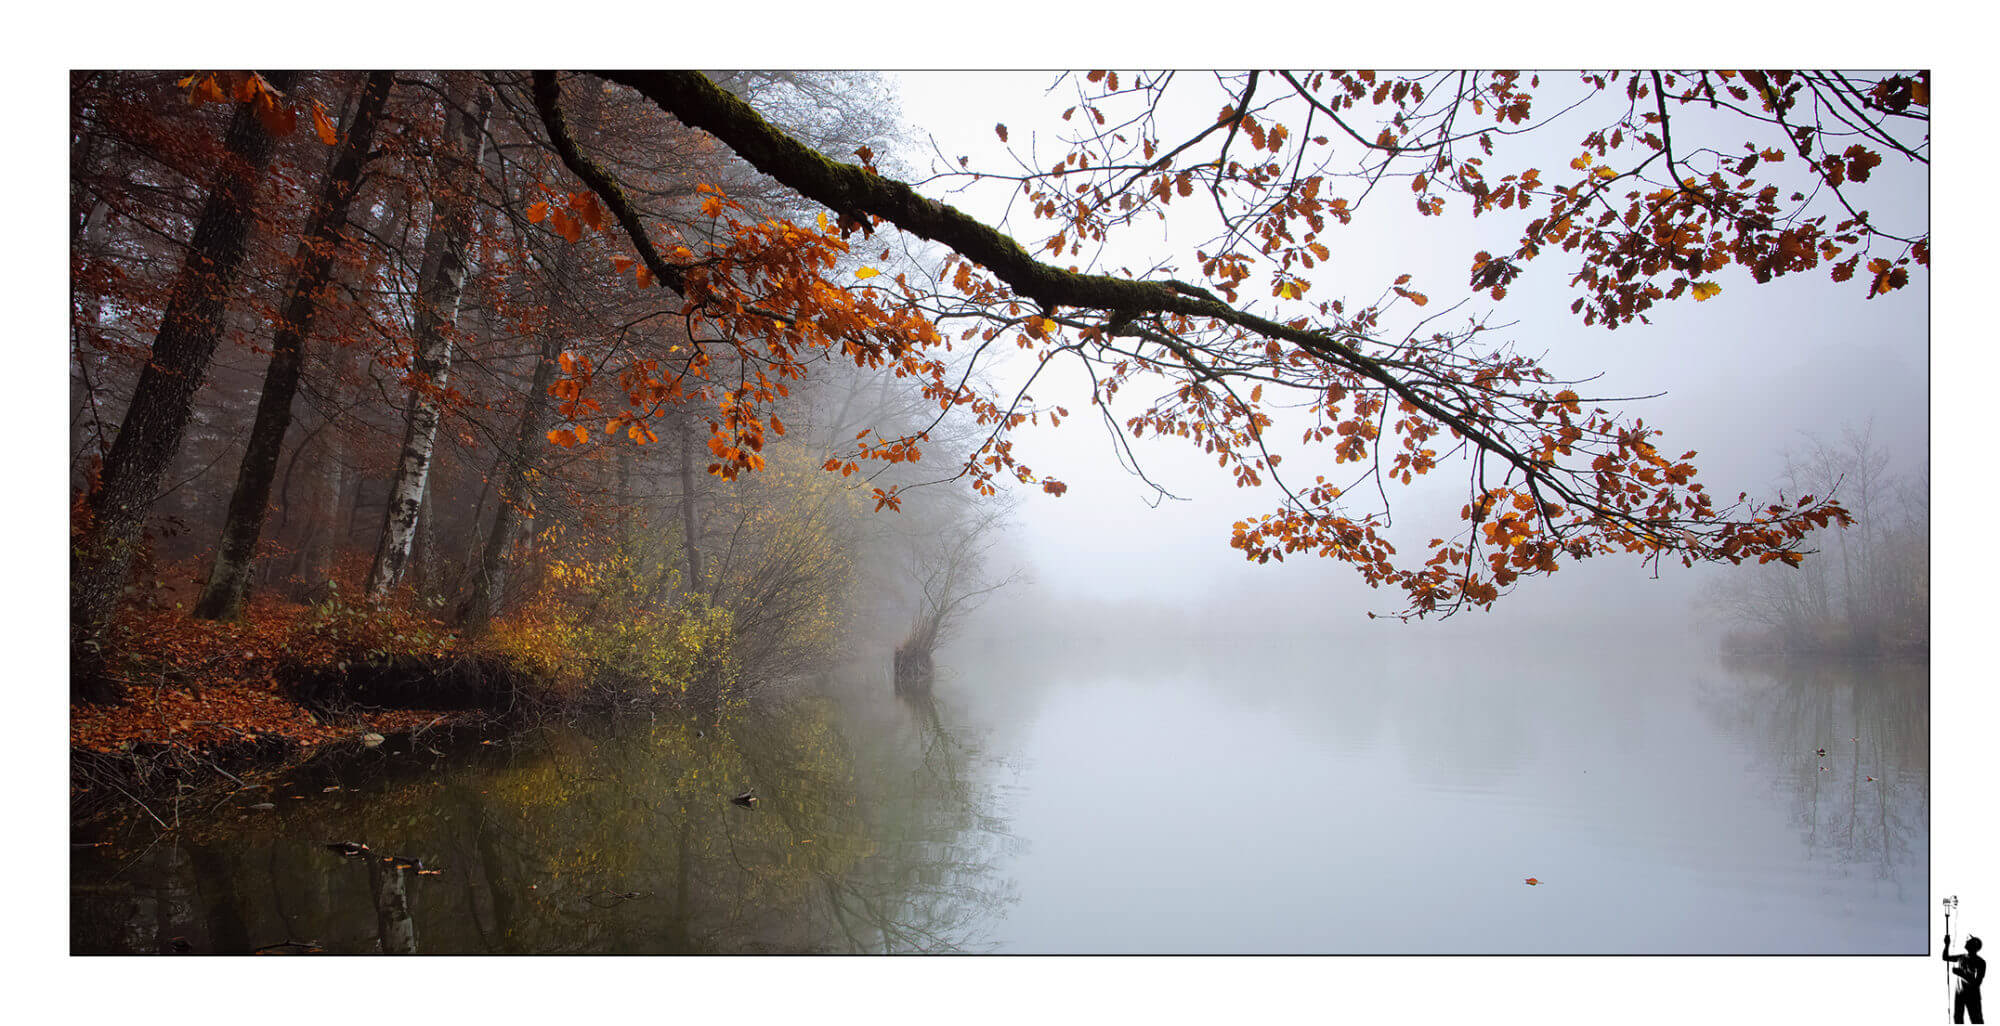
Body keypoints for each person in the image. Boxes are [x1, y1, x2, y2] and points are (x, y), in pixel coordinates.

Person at [1945, 934, 1986, 1023]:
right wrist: (1947, 944)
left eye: (1969, 941)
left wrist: (1961, 974)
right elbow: (1945, 957)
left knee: (1976, 1020)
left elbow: (1977, 983)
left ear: (1973, 946)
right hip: (1959, 994)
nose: (1966, 941)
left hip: (1972, 995)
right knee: (1958, 1018)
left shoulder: (1980, 962)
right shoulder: (1961, 957)